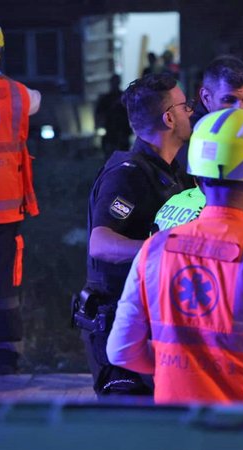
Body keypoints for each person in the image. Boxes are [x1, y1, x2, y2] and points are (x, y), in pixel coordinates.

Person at [106, 108, 243, 413]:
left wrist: (179, 368)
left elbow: (120, 351)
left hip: (180, 435)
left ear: (198, 175)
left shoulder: (154, 250)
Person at [76, 73, 193, 396]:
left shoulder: (171, 174)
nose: (191, 112)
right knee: (131, 435)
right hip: (120, 332)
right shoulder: (127, 175)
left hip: (153, 325)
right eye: (185, 106)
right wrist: (163, 248)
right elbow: (100, 243)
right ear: (168, 117)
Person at [0, 19, 41, 375]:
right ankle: (5, 365)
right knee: (3, 293)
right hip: (3, 216)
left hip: (3, 215)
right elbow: (36, 100)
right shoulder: (20, 95)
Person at [156, 55, 243, 231]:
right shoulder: (189, 139)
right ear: (206, 97)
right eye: (228, 100)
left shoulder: (242, 131)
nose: (239, 109)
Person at [95, 74, 131, 155]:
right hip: (110, 129)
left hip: (122, 129)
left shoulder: (123, 97)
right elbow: (100, 113)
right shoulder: (107, 99)